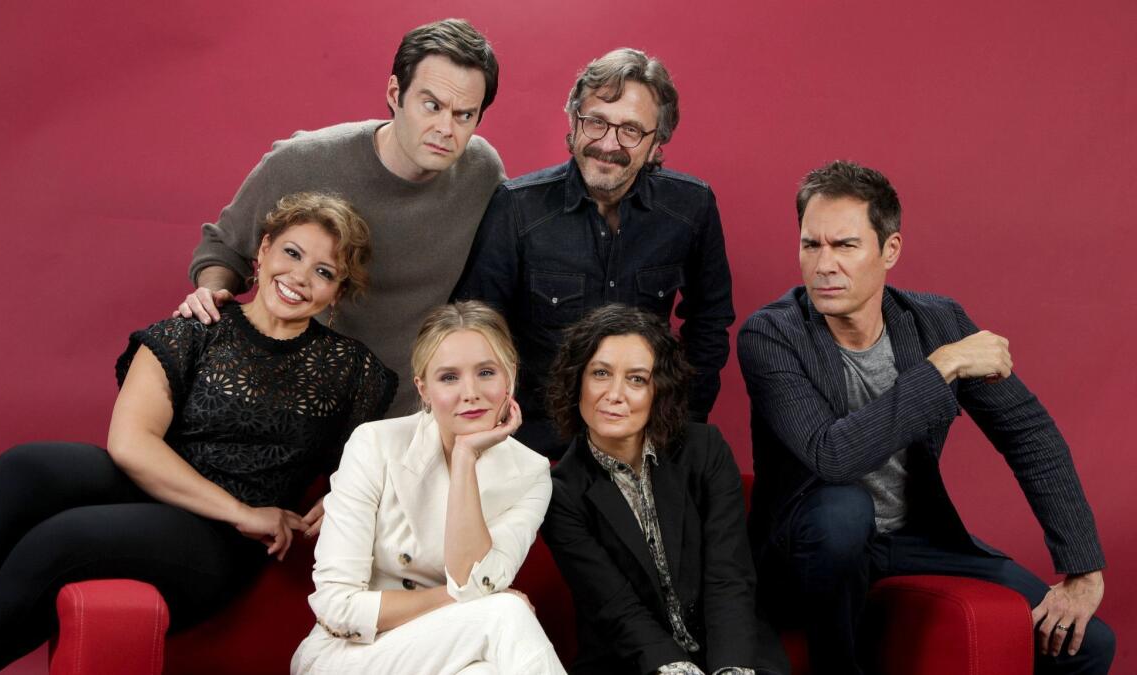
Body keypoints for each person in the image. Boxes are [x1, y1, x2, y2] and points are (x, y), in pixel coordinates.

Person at [0, 193, 395, 674]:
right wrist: (242, 511)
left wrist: (348, 492)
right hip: (181, 495)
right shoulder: (194, 329)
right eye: (292, 253)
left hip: (216, 545)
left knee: (60, 540)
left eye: (324, 272)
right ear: (262, 252)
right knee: (25, 468)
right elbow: (131, 444)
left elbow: (384, 462)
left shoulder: (353, 371)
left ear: (338, 292)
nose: (300, 277)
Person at [737, 160, 1114, 674]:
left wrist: (1083, 568)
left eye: (845, 246)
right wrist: (943, 367)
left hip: (912, 540)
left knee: (1087, 644)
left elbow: (1029, 434)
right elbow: (833, 455)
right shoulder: (772, 335)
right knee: (844, 508)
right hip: (806, 552)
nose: (824, 264)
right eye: (811, 245)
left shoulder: (936, 321)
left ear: (889, 250)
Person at [180, 18, 505, 417]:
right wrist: (212, 293)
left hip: (413, 412)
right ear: (395, 93)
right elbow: (223, 247)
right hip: (299, 403)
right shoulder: (303, 163)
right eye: (432, 105)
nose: (445, 129)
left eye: (464, 115)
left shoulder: (482, 171)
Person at [454, 48, 735, 459]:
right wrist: (498, 435)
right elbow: (476, 330)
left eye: (631, 131)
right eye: (596, 122)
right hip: (535, 443)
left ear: (656, 143)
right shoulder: (516, 207)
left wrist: (683, 425)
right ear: (573, 122)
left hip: (641, 439)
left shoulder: (692, 209)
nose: (608, 144)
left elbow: (710, 323)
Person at [292, 301, 564, 675]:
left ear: (510, 377)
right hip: (348, 654)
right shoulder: (374, 444)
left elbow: (471, 582)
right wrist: (462, 600)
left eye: (486, 372)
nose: (470, 392)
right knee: (505, 611)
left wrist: (466, 457)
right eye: (448, 378)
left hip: (451, 649)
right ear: (423, 388)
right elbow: (337, 608)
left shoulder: (530, 473)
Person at [540, 305, 787, 675]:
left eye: (636, 379)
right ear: (578, 381)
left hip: (731, 647)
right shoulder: (561, 493)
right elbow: (614, 606)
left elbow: (728, 575)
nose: (615, 394)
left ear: (659, 390)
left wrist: (731, 668)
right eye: (601, 374)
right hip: (633, 660)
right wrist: (674, 668)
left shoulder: (706, 450)